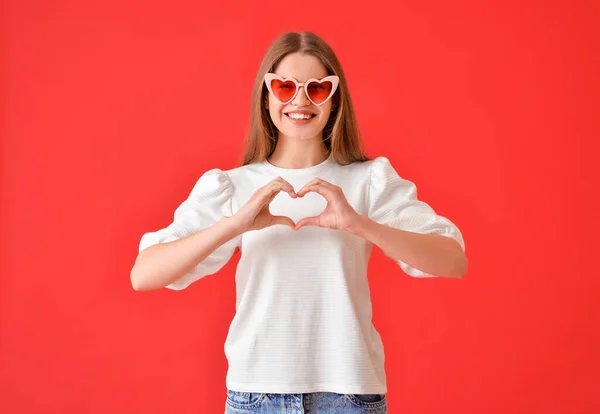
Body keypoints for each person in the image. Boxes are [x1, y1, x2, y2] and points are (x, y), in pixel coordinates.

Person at [130, 31, 467, 414]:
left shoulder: (369, 180)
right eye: (285, 86)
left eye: (317, 89)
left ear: (335, 97)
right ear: (266, 94)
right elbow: (144, 274)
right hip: (255, 396)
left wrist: (359, 224)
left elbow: (453, 259)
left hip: (349, 395)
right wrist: (234, 225)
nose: (300, 101)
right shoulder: (231, 186)